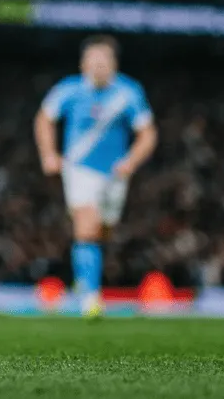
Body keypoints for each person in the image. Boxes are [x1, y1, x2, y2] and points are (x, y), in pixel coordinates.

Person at [33, 35, 158, 317]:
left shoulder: (128, 92)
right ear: (83, 63)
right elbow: (44, 118)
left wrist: (131, 161)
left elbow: (148, 133)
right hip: (79, 169)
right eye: (94, 60)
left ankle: (84, 276)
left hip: (114, 175)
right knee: (86, 227)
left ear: (114, 63)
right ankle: (90, 297)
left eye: (104, 60)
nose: (99, 65)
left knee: (104, 230)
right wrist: (48, 154)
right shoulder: (69, 89)